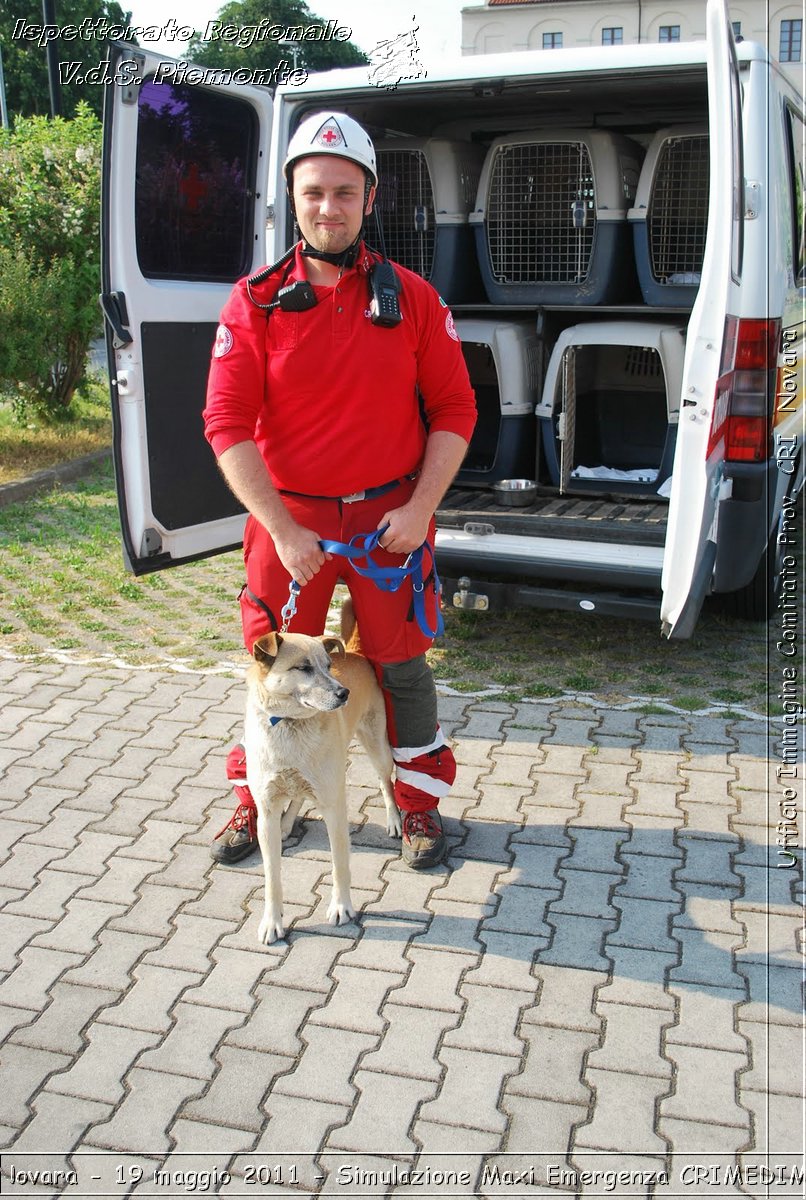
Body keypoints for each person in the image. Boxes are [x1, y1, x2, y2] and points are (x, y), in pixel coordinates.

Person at [203, 111, 476, 871]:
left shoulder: (414, 299)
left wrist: (420, 511)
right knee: (273, 670)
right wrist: (284, 531)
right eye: (314, 192)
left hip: (390, 524)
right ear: (292, 198)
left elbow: (456, 408)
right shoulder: (254, 302)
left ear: (370, 198)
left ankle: (416, 809)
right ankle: (264, 802)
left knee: (401, 665)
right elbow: (225, 421)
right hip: (287, 527)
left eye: (344, 193)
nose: (329, 208)